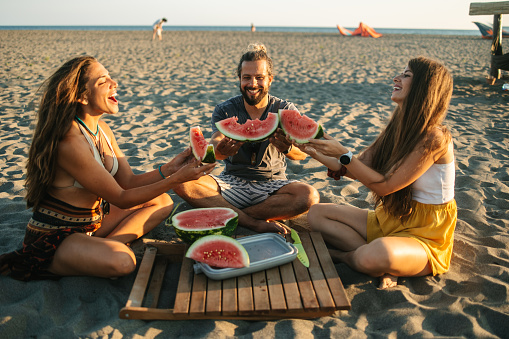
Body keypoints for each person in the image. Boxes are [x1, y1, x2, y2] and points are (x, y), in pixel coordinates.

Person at [0, 56, 215, 281]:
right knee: (123, 261)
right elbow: (122, 197)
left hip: (91, 223)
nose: (114, 83)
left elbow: (128, 182)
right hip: (56, 234)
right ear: (82, 96)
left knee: (162, 201)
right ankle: (48, 260)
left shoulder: (102, 130)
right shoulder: (70, 142)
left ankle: (98, 248)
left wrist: (170, 168)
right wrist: (175, 180)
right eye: (103, 81)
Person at [298, 56, 457, 289]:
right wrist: (309, 147)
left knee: (373, 255)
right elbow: (356, 167)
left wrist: (344, 154)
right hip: (392, 218)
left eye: (406, 75)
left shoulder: (435, 138)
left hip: (425, 233)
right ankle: (386, 263)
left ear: (425, 87)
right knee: (316, 215)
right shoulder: (397, 127)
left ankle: (348, 257)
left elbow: (385, 186)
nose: (397, 78)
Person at [173, 43, 320, 233]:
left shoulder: (285, 110)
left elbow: (303, 154)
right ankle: (252, 222)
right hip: (231, 182)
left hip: (274, 185)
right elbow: (215, 143)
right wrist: (220, 151)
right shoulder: (225, 109)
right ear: (239, 79)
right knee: (179, 180)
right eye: (247, 78)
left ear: (270, 80)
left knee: (309, 196)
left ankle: (233, 215)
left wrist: (288, 148)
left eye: (260, 78)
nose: (253, 84)